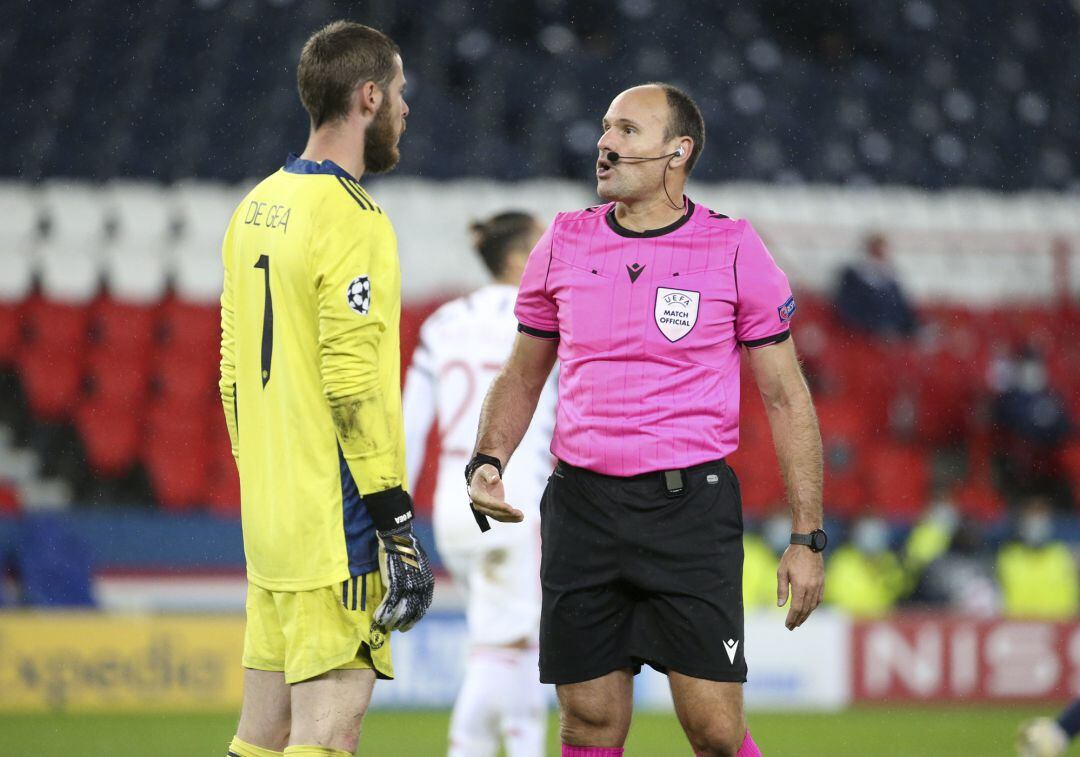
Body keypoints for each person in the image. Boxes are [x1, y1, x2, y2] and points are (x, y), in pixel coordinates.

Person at [466, 83, 826, 757]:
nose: (605, 143)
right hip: (582, 507)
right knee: (588, 722)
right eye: (605, 128)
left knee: (715, 729)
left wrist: (808, 536)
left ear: (676, 152)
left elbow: (786, 398)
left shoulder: (734, 248)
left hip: (688, 513)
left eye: (627, 130)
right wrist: (488, 460)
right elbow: (522, 372)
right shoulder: (563, 242)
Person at [218, 21, 434, 757]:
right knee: (328, 734)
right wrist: (394, 522)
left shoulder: (254, 206)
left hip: (273, 522)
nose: (408, 108)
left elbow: (230, 376)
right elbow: (351, 384)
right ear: (368, 96)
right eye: (400, 92)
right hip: (334, 526)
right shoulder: (353, 218)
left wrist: (268, 477)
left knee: (262, 733)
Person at [402, 212, 555, 757]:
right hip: (511, 500)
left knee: (504, 644)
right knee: (507, 646)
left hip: (452, 503)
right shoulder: (546, 319)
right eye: (541, 244)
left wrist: (393, 514)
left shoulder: (443, 324)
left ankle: (509, 744)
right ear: (518, 259)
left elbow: (409, 427)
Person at [833, 232, 917, 339]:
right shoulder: (854, 274)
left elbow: (902, 305)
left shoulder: (890, 277)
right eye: (877, 249)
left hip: (891, 328)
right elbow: (848, 305)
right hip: (865, 328)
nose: (881, 253)